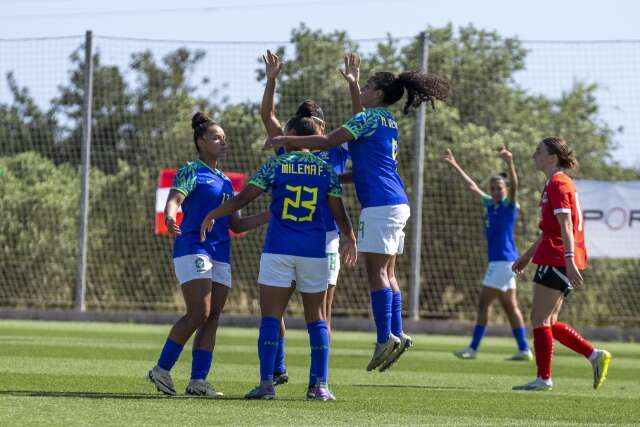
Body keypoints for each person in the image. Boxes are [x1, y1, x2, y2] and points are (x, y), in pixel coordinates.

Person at [264, 55, 450, 371]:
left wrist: (285, 138)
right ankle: (396, 332)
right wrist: (352, 84)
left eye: (366, 86)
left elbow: (326, 139)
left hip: (379, 204)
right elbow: (362, 155)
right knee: (389, 273)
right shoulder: (386, 121)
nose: (362, 90)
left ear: (377, 93)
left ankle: (383, 338)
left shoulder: (368, 119)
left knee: (376, 273)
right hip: (396, 201)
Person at [199, 114, 358, 401]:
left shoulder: (276, 164)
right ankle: (319, 385)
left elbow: (243, 199)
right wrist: (351, 237)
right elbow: (339, 211)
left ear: (294, 134)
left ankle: (265, 385)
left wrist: (213, 213)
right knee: (318, 319)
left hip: (279, 250)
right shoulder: (325, 170)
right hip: (314, 252)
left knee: (271, 317)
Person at [147, 112, 269, 397]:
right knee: (198, 312)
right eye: (216, 137)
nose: (223, 142)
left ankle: (198, 381)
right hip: (193, 246)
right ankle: (161, 369)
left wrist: (269, 215)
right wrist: (170, 217)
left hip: (220, 253)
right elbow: (174, 200)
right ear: (201, 142)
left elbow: (237, 224)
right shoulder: (192, 170)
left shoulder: (227, 181)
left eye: (224, 138)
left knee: (212, 316)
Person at [260, 50, 351, 387]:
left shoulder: (286, 149)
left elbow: (266, 114)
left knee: (276, 309)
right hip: (324, 240)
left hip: (289, 239)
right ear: (322, 126)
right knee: (319, 314)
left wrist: (272, 79)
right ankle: (315, 381)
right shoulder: (335, 149)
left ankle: (278, 370)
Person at [512, 137, 611, 391]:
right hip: (555, 254)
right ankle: (594, 355)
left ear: (552, 157)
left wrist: (568, 258)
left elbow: (566, 225)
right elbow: (551, 230)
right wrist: (527, 255)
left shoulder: (558, 183)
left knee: (539, 319)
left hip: (557, 257)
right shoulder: (556, 183)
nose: (534, 154)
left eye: (539, 151)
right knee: (550, 322)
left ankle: (544, 378)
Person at [442, 147, 532, 361]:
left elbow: (516, 185)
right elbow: (472, 187)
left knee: (484, 303)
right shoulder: (490, 205)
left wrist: (509, 162)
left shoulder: (509, 206)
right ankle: (524, 349)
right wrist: (455, 165)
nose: (495, 190)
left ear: (506, 189)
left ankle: (472, 349)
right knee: (511, 307)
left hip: (502, 262)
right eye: (492, 188)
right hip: (505, 263)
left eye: (499, 187)